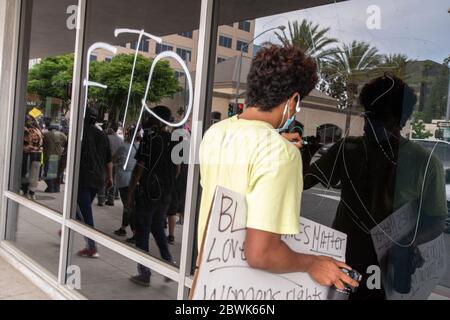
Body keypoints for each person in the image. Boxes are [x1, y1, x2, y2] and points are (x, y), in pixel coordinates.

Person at [198, 44, 359, 291]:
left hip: (209, 282)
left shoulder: (216, 132)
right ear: (293, 100)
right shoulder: (279, 153)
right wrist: (312, 263)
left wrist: (273, 145)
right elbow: (261, 254)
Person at [303, 74, 447, 299]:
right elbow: (303, 182)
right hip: (342, 260)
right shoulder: (347, 149)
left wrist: (410, 242)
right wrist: (302, 154)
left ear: (399, 120)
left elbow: (437, 218)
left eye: (381, 119)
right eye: (368, 116)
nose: (370, 125)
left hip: (389, 268)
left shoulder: (425, 163)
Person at [128, 106, 177, 286]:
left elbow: (140, 167)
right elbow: (177, 169)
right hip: (165, 193)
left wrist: (132, 191)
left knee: (143, 230)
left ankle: (145, 273)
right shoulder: (174, 140)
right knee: (157, 228)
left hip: (149, 192)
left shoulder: (150, 138)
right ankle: (168, 265)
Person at [77, 107, 113, 258]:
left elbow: (70, 154)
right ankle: (68, 228)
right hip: (98, 179)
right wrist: (110, 177)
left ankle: (92, 246)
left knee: (84, 212)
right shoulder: (103, 135)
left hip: (83, 177)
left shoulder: (80, 132)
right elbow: (108, 159)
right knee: (78, 208)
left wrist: (61, 171)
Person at [113, 125, 140, 239]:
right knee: (128, 205)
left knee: (129, 206)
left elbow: (113, 159)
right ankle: (123, 228)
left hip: (124, 180)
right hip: (134, 180)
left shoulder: (123, 147)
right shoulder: (138, 147)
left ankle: (135, 233)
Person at [21, 115, 43, 200]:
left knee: (26, 171)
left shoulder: (27, 130)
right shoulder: (38, 130)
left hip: (28, 154)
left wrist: (26, 147)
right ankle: (31, 192)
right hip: (37, 154)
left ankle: (24, 189)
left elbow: (26, 143)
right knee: (34, 174)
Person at [42, 119, 67, 193]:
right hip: (58, 156)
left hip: (48, 156)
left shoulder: (46, 134)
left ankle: (51, 187)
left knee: (48, 174)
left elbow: (41, 143)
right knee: (56, 173)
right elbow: (66, 144)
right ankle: (56, 188)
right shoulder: (62, 135)